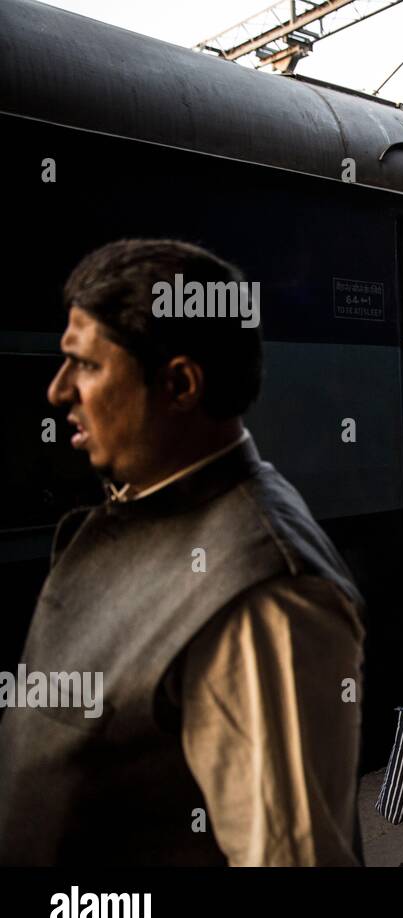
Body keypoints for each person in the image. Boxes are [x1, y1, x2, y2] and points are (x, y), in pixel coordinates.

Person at [0, 239, 365, 865]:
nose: (59, 392)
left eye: (85, 366)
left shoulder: (263, 597)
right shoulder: (143, 508)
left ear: (179, 384)